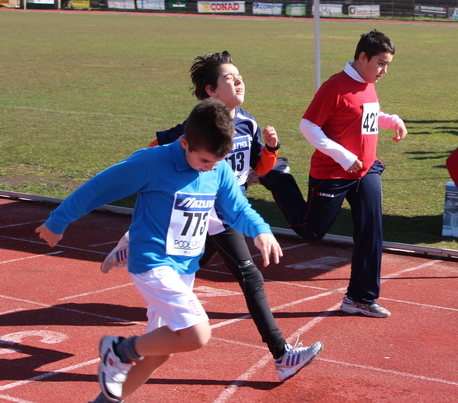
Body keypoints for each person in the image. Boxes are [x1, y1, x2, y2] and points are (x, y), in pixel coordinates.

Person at [35, 99, 285, 403]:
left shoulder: (217, 169)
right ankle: (119, 350)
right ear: (184, 143)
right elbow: (100, 187)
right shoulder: (152, 163)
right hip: (153, 263)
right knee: (197, 334)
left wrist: (260, 229)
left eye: (218, 161)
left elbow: (237, 207)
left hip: (184, 269)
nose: (211, 168)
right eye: (205, 161)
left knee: (162, 351)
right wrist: (58, 221)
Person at [100, 51, 322, 383]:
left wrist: (272, 150)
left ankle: (143, 339)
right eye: (229, 79)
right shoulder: (198, 127)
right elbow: (153, 153)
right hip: (209, 214)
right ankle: (282, 355)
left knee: (181, 273)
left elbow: (257, 169)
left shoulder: (248, 123)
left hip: (219, 216)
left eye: (240, 76)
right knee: (251, 277)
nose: (239, 81)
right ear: (211, 91)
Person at [260, 30, 407, 318]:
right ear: (362, 58)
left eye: (387, 64)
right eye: (380, 63)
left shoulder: (368, 81)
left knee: (371, 231)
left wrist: (391, 120)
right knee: (311, 230)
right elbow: (308, 127)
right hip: (333, 173)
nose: (384, 71)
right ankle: (277, 175)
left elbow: (364, 115)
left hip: (365, 171)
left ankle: (360, 298)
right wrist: (343, 155)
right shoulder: (334, 86)